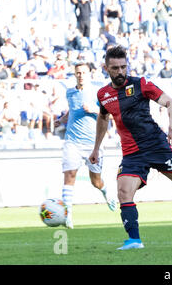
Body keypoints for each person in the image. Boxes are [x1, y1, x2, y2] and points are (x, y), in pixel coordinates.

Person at [88, 45, 172, 250]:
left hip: (157, 146)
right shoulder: (103, 95)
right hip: (132, 153)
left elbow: (170, 102)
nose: (120, 72)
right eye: (115, 68)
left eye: (123, 67)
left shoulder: (141, 84)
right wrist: (96, 148)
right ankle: (134, 240)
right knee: (124, 193)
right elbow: (103, 118)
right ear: (106, 68)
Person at [54, 63, 117, 229]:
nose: (80, 75)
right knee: (70, 175)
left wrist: (94, 110)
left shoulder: (99, 92)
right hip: (72, 141)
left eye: (83, 72)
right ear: (74, 74)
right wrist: (62, 119)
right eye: (78, 73)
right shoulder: (70, 92)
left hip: (93, 143)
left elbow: (112, 115)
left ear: (89, 74)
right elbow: (72, 110)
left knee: (95, 181)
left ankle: (106, 192)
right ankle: (66, 216)